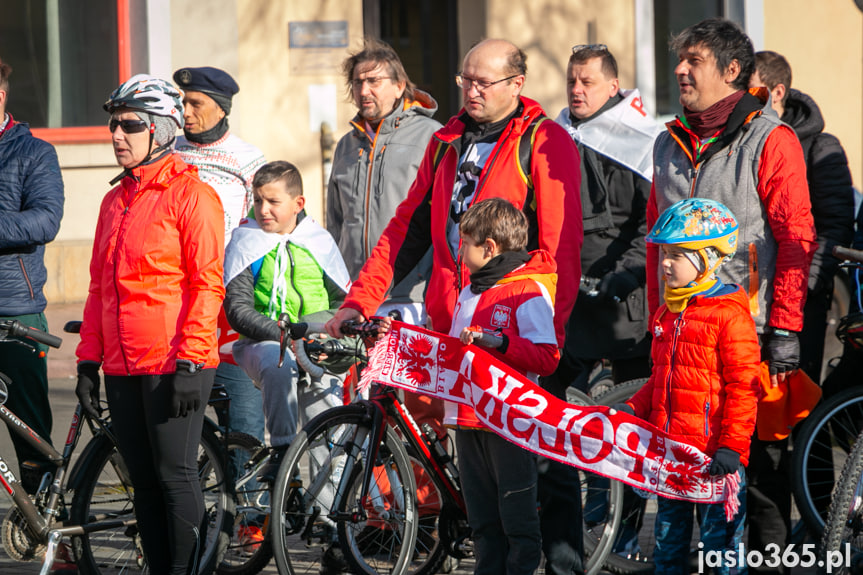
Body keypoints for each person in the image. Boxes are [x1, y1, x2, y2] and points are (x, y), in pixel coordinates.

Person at [326, 38, 584, 575]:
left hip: (520, 327)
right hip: (459, 323)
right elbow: (408, 229)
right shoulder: (446, 141)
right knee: (476, 464)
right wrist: (360, 300)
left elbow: (561, 248)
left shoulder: (543, 140)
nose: (469, 90)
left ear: (517, 85)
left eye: (482, 82)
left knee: (548, 463)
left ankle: (563, 567)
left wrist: (543, 339)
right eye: (464, 79)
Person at [647, 18, 816, 572]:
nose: (679, 70)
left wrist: (786, 326)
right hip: (682, 335)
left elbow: (795, 237)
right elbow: (656, 240)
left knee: (758, 478)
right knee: (684, 475)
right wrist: (658, 317)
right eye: (680, 60)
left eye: (693, 61)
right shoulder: (667, 143)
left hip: (752, 330)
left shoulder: (771, 138)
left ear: (732, 71)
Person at [75, 74, 225, 575]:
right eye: (113, 125)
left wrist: (192, 359)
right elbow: (100, 288)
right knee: (140, 481)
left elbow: (208, 284)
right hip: (121, 364)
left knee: (175, 477)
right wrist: (87, 362)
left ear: (160, 130)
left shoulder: (193, 196)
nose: (116, 135)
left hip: (173, 361)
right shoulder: (113, 201)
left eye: (129, 125)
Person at [620, 197, 761, 575]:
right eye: (664, 252)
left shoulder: (729, 316)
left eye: (677, 255)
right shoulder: (669, 311)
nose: (665, 263)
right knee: (667, 551)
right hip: (672, 457)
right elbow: (661, 377)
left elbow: (744, 388)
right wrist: (634, 408)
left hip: (715, 460)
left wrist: (732, 447)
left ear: (710, 259)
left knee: (722, 554)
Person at [172, 67, 268, 515]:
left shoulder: (250, 161)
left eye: (195, 103)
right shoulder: (168, 155)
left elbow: (266, 233)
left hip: (228, 303)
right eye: (182, 102)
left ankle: (248, 513)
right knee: (179, 415)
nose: (185, 112)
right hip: (176, 301)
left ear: (221, 107)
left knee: (241, 415)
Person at [449, 197, 559, 575]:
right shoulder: (469, 291)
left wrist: (500, 342)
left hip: (510, 422)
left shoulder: (526, 290)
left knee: (517, 519)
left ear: (490, 248)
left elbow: (547, 357)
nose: (460, 252)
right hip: (468, 419)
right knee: (482, 522)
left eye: (465, 244)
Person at [223, 161, 351, 485]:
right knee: (278, 365)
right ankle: (282, 453)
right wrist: (285, 335)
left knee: (327, 429)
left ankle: (325, 517)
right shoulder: (245, 241)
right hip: (263, 343)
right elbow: (237, 310)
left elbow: (343, 304)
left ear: (299, 204)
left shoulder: (318, 240)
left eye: (273, 202)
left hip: (315, 343)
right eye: (257, 201)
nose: (263, 210)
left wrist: (328, 340)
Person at [552, 43, 661, 391]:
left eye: (587, 81)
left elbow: (652, 225)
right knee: (560, 411)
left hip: (625, 298)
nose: (576, 90)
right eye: (571, 81)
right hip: (570, 297)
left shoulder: (643, 139)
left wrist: (623, 277)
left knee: (634, 410)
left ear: (613, 87)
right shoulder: (557, 133)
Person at [750, 50, 855, 386]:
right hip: (750, 293)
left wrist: (806, 284)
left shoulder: (821, 148)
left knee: (792, 397)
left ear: (776, 92)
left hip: (800, 296)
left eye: (749, 88)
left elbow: (835, 226)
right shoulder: (746, 141)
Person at [327, 38, 441, 325]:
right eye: (357, 82)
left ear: (399, 86)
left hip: (412, 297)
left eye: (374, 81)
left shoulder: (432, 137)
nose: (364, 91)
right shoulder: (346, 146)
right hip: (354, 297)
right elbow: (336, 222)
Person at [0, 56, 65, 494]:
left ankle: (51, 533)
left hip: (15, 312)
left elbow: (45, 221)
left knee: (30, 434)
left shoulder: (34, 151)